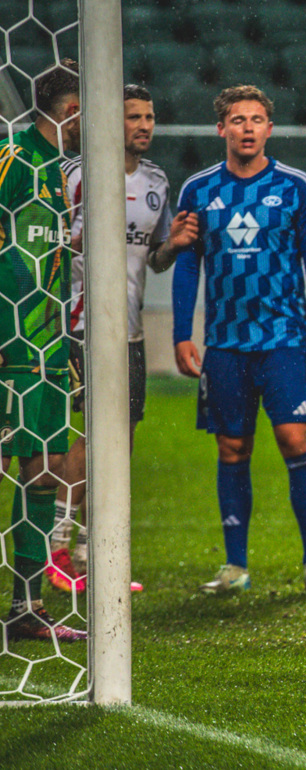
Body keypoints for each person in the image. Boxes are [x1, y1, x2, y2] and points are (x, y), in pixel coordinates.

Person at [172, 86, 306, 596]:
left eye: (257, 119)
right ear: (221, 129)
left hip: (284, 339)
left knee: (295, 440)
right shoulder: (198, 190)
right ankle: (235, 565)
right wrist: (181, 333)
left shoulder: (296, 186)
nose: (247, 128)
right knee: (233, 447)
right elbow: (187, 263)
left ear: (270, 128)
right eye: (237, 120)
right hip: (224, 344)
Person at [51, 85, 198, 592]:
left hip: (129, 331)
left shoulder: (157, 180)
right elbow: (49, 244)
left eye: (149, 116)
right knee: (93, 435)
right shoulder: (74, 174)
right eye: (133, 116)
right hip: (80, 324)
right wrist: (81, 236)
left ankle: (95, 555)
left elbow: (153, 260)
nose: (144, 125)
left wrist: (175, 245)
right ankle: (57, 547)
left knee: (123, 439)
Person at [0, 68, 84, 642]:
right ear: (69, 107)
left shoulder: (61, 172)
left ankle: (25, 607)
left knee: (43, 474)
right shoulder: (12, 158)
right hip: (7, 345)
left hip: (45, 350)